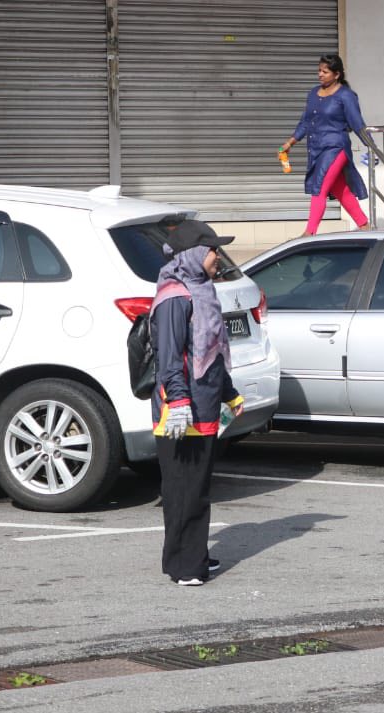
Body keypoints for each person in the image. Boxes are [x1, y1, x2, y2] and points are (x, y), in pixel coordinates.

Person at [152, 220, 244, 586]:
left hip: (203, 406)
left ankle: (193, 554)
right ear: (192, 253)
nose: (216, 256)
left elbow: (214, 354)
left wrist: (229, 393)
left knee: (197, 487)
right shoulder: (174, 296)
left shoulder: (203, 292)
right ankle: (184, 566)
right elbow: (169, 357)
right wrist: (177, 401)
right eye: (212, 250)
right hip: (181, 409)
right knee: (183, 488)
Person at [280, 54, 371, 235]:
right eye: (319, 70)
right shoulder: (314, 93)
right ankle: (364, 225)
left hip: (336, 147)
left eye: (325, 71)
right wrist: (290, 143)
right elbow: (305, 122)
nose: (320, 74)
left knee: (319, 186)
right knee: (339, 189)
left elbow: (357, 123)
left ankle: (309, 233)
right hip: (316, 149)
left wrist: (372, 147)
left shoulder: (346, 95)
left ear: (336, 74)